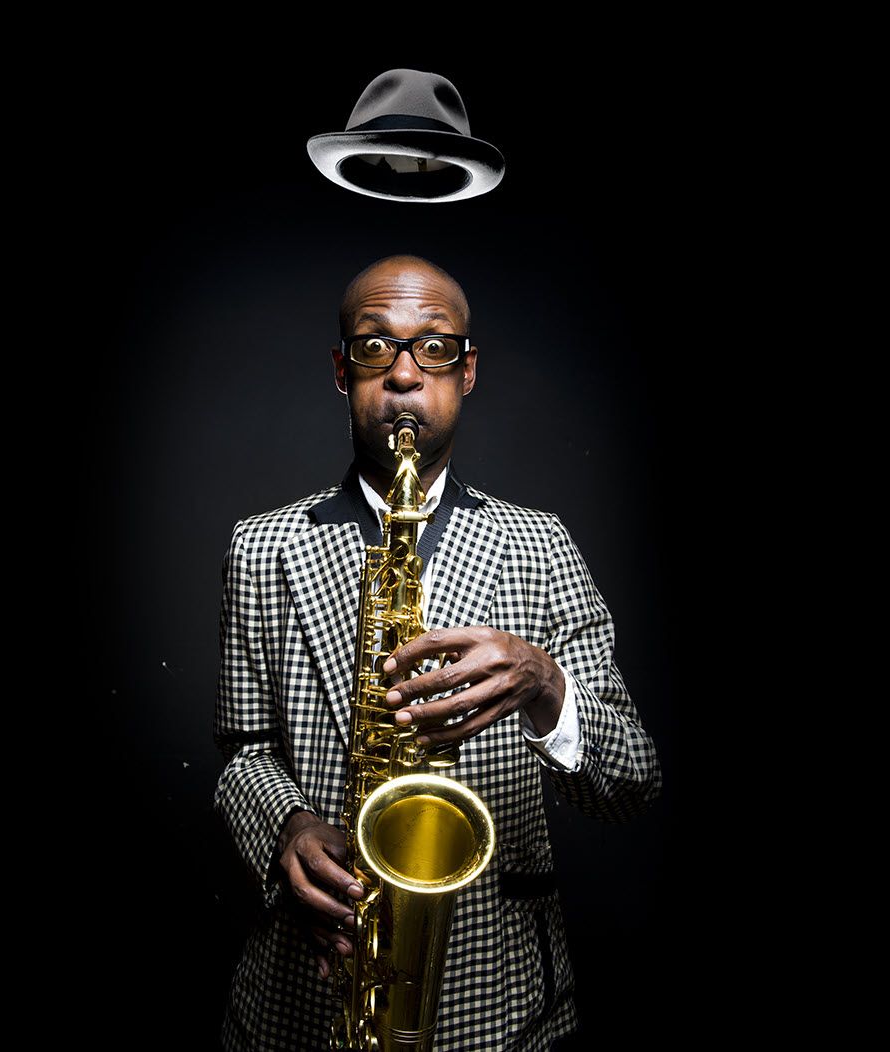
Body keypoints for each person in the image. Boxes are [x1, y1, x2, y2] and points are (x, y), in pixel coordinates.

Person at [213, 254, 661, 1050]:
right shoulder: (260, 547)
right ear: (341, 368)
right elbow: (242, 753)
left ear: (469, 368)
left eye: (435, 348)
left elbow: (631, 782)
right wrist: (285, 826)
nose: (404, 377)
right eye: (374, 347)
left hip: (501, 1001)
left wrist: (546, 685)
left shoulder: (542, 544)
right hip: (300, 1000)